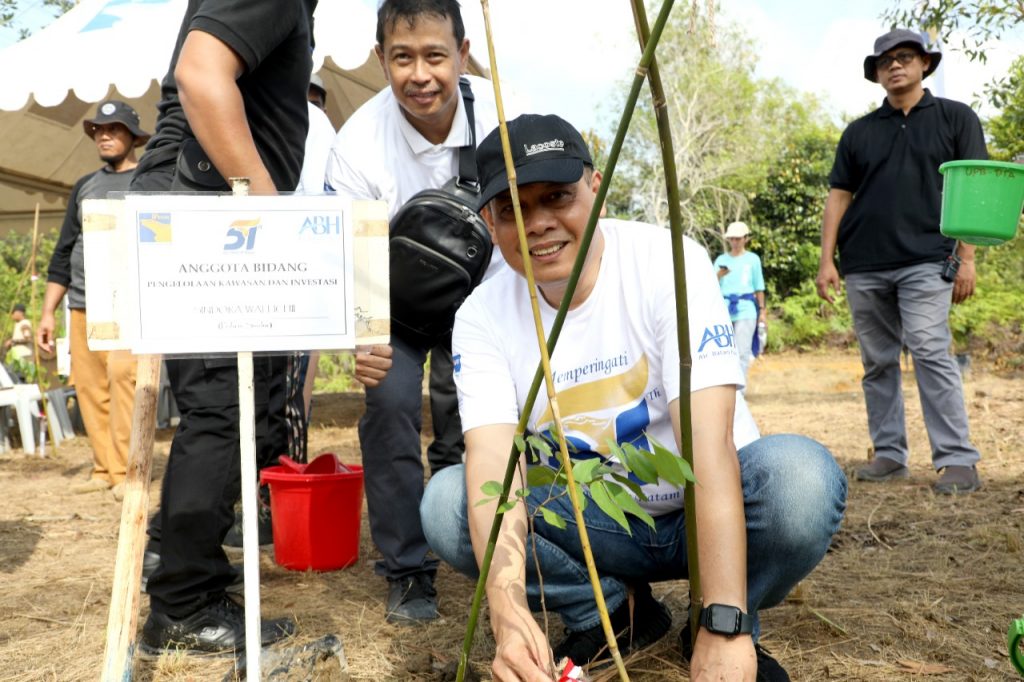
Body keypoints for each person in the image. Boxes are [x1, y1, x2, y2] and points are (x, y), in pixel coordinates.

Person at [420, 114, 847, 681]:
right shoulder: (481, 314)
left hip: (706, 508)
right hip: (595, 524)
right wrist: (508, 613)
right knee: (450, 503)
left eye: (557, 197)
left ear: (596, 189)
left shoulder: (669, 261)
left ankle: (717, 616)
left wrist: (724, 624)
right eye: (512, 211)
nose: (539, 225)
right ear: (490, 222)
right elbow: (493, 462)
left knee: (799, 479)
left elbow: (709, 444)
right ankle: (611, 611)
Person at [129, 0, 316, 655]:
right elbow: (202, 76)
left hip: (209, 211)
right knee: (222, 412)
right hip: (219, 219)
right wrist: (268, 212)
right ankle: (182, 603)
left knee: (237, 412)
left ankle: (182, 569)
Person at [324, 0, 513, 624]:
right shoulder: (356, 144)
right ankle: (407, 569)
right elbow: (346, 255)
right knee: (389, 406)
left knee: (479, 412)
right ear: (381, 60)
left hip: (481, 295)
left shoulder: (501, 115)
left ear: (462, 53)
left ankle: (492, 546)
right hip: (393, 307)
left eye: (435, 55)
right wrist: (362, 335)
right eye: (402, 58)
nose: (420, 74)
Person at [815, 28, 986, 495]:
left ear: (925, 64)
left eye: (905, 57)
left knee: (930, 351)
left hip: (929, 258)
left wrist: (967, 257)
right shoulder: (859, 132)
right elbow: (838, 195)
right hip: (864, 263)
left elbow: (973, 189)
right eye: (885, 61)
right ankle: (889, 454)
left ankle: (957, 459)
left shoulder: (956, 118)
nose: (895, 66)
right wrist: (826, 260)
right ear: (875, 73)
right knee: (878, 362)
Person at [37, 101, 149, 499]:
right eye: (98, 130)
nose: (104, 135)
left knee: (124, 378)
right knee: (89, 386)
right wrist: (48, 312)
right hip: (82, 303)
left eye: (114, 129)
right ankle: (103, 467)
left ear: (133, 136)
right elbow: (63, 252)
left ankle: (125, 471)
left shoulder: (150, 180)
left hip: (128, 303)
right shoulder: (84, 185)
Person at [714, 221, 766, 384]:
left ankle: (740, 390)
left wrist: (762, 311)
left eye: (738, 239)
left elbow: (759, 286)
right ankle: (725, 387)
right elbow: (709, 284)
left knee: (742, 351)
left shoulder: (753, 259)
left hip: (746, 308)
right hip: (724, 307)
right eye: (732, 239)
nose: (735, 242)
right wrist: (719, 275)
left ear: (745, 239)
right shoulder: (721, 259)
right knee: (723, 352)